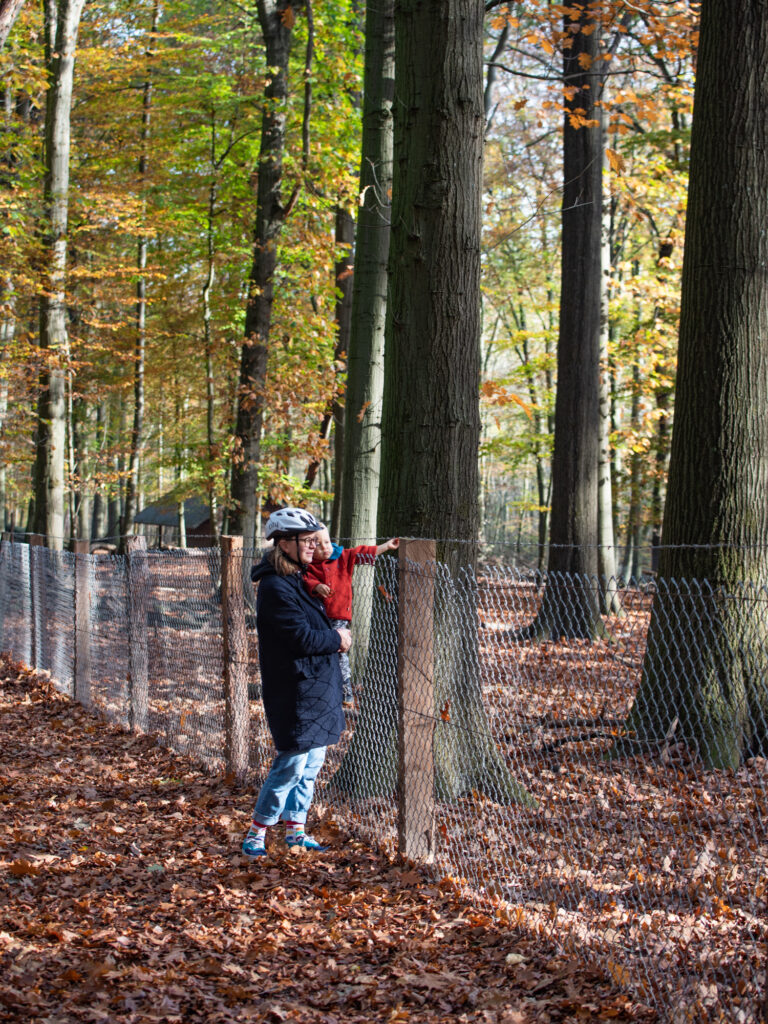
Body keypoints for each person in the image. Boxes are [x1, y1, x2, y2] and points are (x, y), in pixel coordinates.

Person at [241, 507, 352, 859]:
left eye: (312, 539)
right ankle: (257, 833)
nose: (311, 546)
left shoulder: (299, 579)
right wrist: (339, 640)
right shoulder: (275, 586)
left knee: (312, 767)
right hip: (295, 690)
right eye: (305, 540)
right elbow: (299, 637)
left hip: (318, 688)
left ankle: (296, 830)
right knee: (290, 766)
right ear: (283, 543)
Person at [304, 528, 399, 705]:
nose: (325, 547)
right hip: (317, 616)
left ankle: (346, 688)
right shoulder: (308, 565)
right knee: (319, 649)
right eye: (318, 545)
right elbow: (304, 580)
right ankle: (323, 685)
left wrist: (386, 546)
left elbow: (363, 552)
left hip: (338, 616)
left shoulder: (342, 556)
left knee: (340, 651)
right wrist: (316, 586)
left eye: (327, 542)